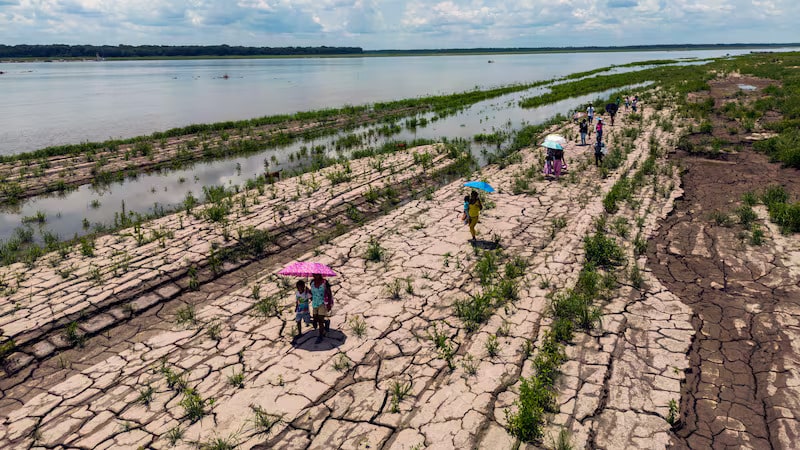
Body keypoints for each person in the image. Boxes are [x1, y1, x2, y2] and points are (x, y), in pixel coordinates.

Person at [310, 273, 334, 343]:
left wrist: (329, 304)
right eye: (314, 274)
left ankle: (321, 335)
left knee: (320, 320)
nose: (315, 276)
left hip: (322, 303)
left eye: (317, 274)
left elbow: (329, 293)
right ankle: (326, 322)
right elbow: (312, 292)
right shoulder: (311, 282)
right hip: (314, 303)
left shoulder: (324, 282)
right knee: (315, 319)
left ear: (320, 274)